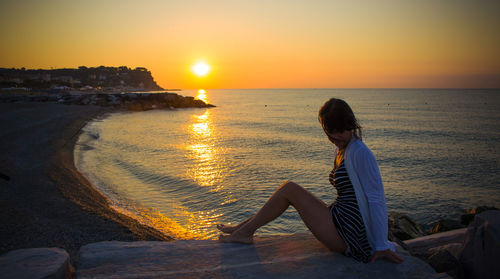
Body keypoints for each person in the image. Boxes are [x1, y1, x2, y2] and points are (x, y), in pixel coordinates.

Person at [217, 98, 403, 264]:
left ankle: (245, 233)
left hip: (351, 236)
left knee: (289, 189)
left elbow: (376, 199)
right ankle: (241, 229)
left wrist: (381, 245)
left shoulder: (360, 152)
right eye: (330, 134)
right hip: (340, 219)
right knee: (287, 188)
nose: (335, 138)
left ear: (349, 124)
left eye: (339, 132)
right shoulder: (342, 149)